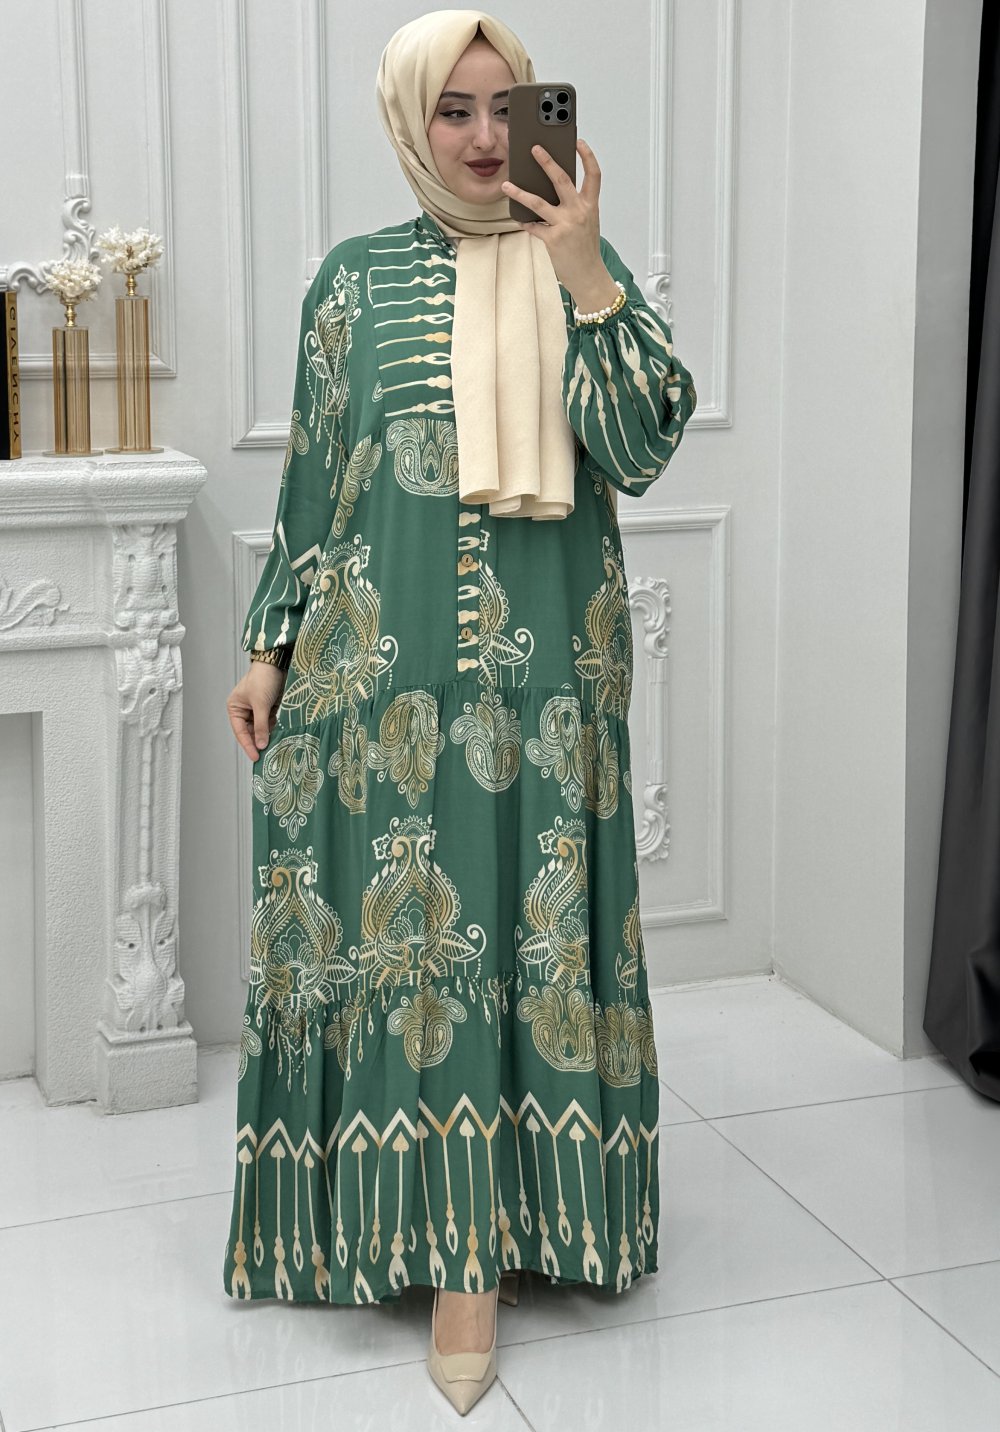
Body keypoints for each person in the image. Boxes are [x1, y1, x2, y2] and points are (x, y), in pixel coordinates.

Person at [222, 8, 696, 1416]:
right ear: (410, 121)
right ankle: (426, 1241)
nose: (488, 139)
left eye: (508, 107)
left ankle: (520, 1230)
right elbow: (318, 484)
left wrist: (582, 268)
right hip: (383, 677)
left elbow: (644, 444)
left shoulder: (579, 260)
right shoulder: (351, 281)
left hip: (550, 678)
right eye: (455, 111)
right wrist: (270, 650)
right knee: (410, 944)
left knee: (529, 930)